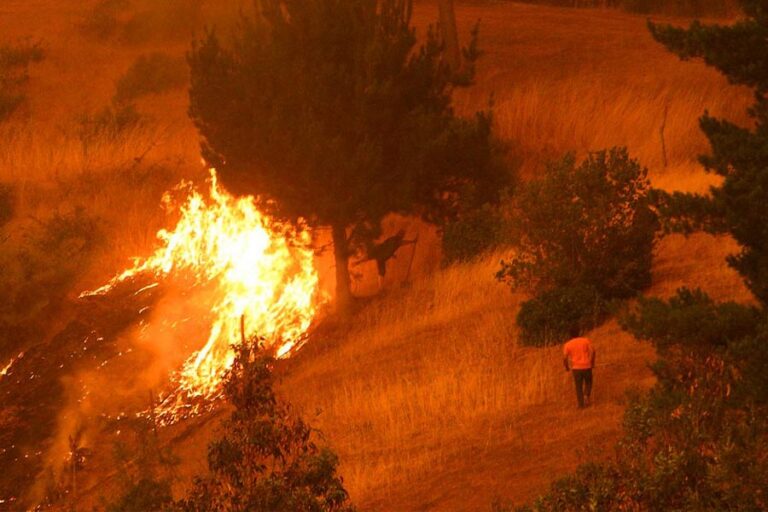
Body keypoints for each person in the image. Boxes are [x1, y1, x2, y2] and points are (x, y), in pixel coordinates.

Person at [563, 326, 596, 408]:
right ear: (579, 332)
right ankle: (586, 395)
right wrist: (592, 362)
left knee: (578, 386)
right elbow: (593, 351)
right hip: (587, 366)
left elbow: (564, 358)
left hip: (576, 368)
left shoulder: (567, 344)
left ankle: (581, 405)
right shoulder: (585, 340)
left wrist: (567, 367)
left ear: (570, 335)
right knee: (589, 382)